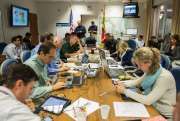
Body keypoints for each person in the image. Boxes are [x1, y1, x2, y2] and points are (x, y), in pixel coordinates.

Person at [114, 47, 176, 120]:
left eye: (140, 65)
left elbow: (148, 100)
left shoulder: (164, 77)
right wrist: (122, 83)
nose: (139, 68)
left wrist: (125, 91)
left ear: (149, 63)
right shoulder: (152, 70)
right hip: (153, 107)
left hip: (164, 116)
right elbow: (136, 82)